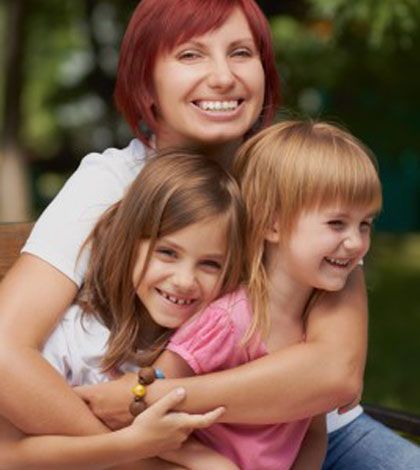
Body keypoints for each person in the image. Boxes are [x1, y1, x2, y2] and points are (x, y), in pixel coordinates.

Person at [0, 0, 417, 468]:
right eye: (190, 55)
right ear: (146, 80)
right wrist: (158, 457)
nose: (223, 76)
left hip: (300, 437)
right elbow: (5, 351)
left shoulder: (301, 182)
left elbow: (334, 373)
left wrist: (154, 396)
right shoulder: (109, 183)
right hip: (156, 447)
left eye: (241, 53)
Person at [152, 120, 382, 470]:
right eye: (337, 224)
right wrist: (206, 462)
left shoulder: (314, 326)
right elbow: (147, 408)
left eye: (364, 224)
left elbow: (312, 430)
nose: (355, 243)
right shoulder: (230, 320)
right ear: (272, 224)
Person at [0, 151, 244, 468]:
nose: (185, 280)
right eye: (168, 253)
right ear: (128, 244)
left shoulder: (213, 348)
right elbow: (8, 456)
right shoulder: (75, 338)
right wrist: (133, 446)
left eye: (210, 264)